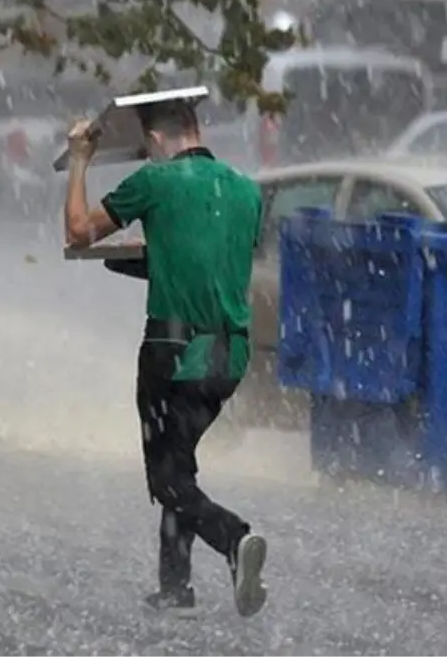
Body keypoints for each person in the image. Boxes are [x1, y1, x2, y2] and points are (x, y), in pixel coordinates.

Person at [63, 98, 268, 617]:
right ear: (195, 128)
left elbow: (78, 231)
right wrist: (159, 252)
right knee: (179, 462)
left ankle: (233, 538)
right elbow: (211, 261)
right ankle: (175, 586)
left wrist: (80, 159)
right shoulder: (245, 190)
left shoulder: (154, 183)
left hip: (173, 353)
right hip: (229, 357)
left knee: (167, 479)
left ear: (154, 140)